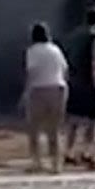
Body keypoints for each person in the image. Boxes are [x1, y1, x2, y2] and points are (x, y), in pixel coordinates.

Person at [22, 22, 70, 173]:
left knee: (34, 128)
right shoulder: (56, 49)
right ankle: (56, 164)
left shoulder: (32, 51)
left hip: (39, 89)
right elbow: (65, 69)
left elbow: (31, 73)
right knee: (54, 129)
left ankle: (37, 162)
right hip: (59, 88)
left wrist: (26, 92)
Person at [62, 6, 95, 165]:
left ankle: (68, 151)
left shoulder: (74, 36)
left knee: (73, 119)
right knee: (92, 119)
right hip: (89, 81)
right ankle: (86, 151)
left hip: (74, 80)